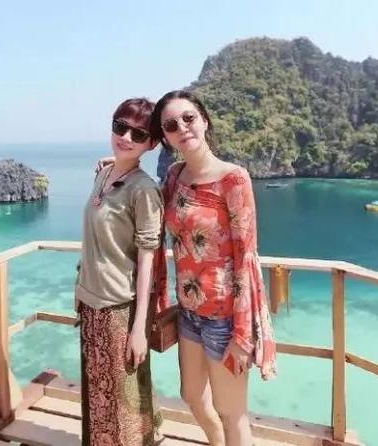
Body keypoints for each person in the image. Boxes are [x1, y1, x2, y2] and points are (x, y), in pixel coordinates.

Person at [151, 90, 277, 446]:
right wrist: (118, 165)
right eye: (171, 125)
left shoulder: (233, 179)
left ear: (204, 121)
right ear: (166, 138)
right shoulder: (174, 177)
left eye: (188, 118)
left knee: (231, 411)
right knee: (191, 395)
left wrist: (242, 335)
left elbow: (245, 257)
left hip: (224, 317)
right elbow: (147, 206)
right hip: (189, 312)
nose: (182, 127)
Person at [75, 97, 167, 445]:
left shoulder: (144, 190)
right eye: (120, 127)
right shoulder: (104, 173)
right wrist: (80, 288)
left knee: (125, 402)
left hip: (119, 308)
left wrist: (139, 328)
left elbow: (147, 261)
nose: (126, 137)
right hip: (91, 304)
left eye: (138, 134)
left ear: (151, 143)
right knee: (97, 393)